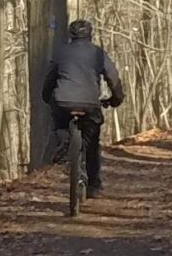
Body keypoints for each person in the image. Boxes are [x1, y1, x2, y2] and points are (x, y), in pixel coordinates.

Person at [43, 17, 125, 194]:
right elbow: (113, 78)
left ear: (70, 35)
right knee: (93, 143)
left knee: (59, 122)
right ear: (90, 34)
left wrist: (46, 97)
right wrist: (115, 99)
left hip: (63, 101)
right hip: (89, 103)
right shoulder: (98, 54)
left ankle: (64, 141)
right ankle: (94, 186)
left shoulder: (60, 53)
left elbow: (50, 79)